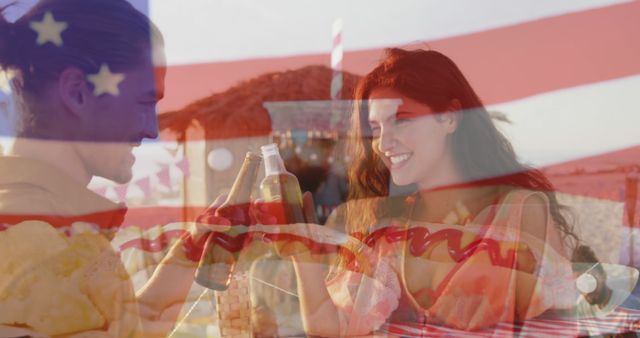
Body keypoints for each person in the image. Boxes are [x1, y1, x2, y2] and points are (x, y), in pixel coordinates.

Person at [280, 48, 586, 336]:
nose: (384, 144)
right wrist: (302, 257)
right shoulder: (387, 224)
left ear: (450, 117)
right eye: (376, 129)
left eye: (401, 121)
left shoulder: (519, 212)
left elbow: (561, 325)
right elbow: (333, 326)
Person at [0, 1, 210, 337]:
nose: (152, 129)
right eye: (145, 102)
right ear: (77, 93)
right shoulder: (34, 239)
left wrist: (194, 248)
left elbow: (123, 329)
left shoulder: (45, 226)